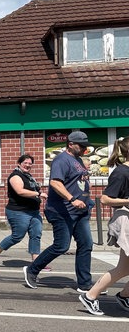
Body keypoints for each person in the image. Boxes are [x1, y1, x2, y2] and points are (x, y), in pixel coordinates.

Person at [24, 131, 95, 292]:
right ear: (70, 144)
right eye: (81, 146)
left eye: (86, 146)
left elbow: (78, 182)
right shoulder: (61, 160)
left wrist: (86, 200)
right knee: (61, 246)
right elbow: (55, 183)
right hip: (62, 211)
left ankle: (85, 284)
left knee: (86, 245)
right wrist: (72, 199)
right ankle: (32, 270)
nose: (85, 148)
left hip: (80, 212)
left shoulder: (77, 160)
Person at [78, 137, 129, 315]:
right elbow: (105, 199)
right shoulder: (121, 172)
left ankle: (122, 296)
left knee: (124, 268)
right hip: (125, 220)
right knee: (123, 268)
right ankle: (90, 296)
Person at [0, 154, 47, 268]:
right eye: (25, 163)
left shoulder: (29, 176)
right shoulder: (15, 176)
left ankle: (36, 262)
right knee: (17, 236)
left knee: (36, 235)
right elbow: (20, 191)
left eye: (30, 163)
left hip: (33, 211)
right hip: (18, 212)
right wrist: (38, 193)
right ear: (19, 164)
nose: (28, 165)